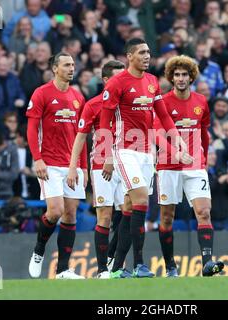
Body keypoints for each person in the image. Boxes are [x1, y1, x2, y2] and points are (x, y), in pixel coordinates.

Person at [98, 38, 186, 278]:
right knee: (141, 202)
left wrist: (175, 138)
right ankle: (139, 264)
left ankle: (116, 268)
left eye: (149, 52)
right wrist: (105, 154)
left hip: (147, 152)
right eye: (142, 52)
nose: (148, 56)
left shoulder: (152, 82)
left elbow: (163, 115)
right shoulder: (117, 83)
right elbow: (105, 121)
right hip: (124, 150)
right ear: (130, 56)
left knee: (130, 207)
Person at [154, 55, 224, 277]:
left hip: (195, 166)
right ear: (171, 77)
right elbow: (157, 134)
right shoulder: (162, 102)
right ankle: (170, 267)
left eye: (184, 74)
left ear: (191, 77)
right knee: (167, 218)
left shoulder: (201, 101)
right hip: (168, 166)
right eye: (177, 74)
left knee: (204, 212)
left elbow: (204, 132)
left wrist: (202, 157)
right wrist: (176, 153)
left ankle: (207, 263)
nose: (181, 78)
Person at [27, 52, 87, 280]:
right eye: (66, 65)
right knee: (55, 211)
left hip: (72, 166)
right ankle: (39, 250)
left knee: (70, 215)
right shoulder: (42, 93)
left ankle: (62, 270)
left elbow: (81, 136)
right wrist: (37, 158)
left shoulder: (78, 97)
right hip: (49, 163)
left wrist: (83, 167)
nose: (71, 68)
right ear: (54, 68)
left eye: (73, 64)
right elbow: (32, 129)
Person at [67, 60, 128, 279]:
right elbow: (81, 137)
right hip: (102, 165)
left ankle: (114, 259)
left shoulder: (129, 102)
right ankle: (103, 270)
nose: (122, 81)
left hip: (128, 163)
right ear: (105, 80)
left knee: (128, 214)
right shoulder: (92, 105)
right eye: (118, 77)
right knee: (105, 215)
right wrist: (74, 167)